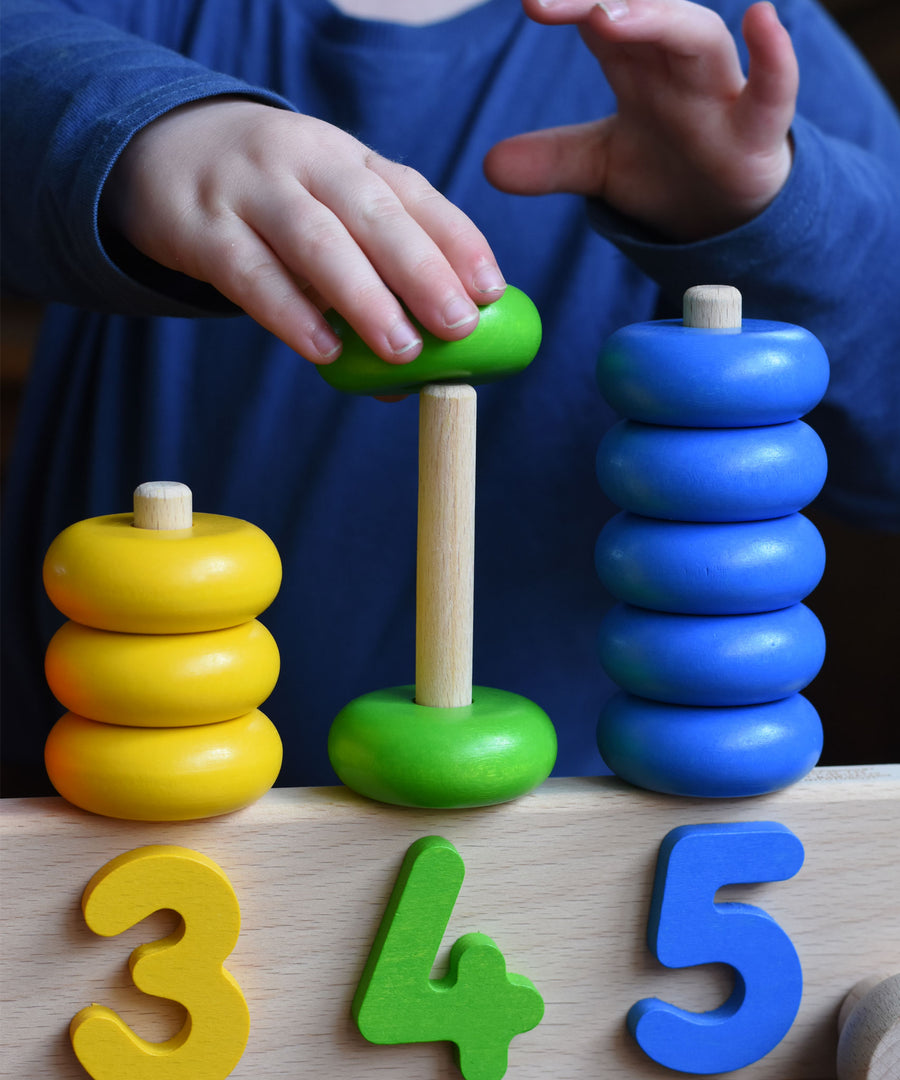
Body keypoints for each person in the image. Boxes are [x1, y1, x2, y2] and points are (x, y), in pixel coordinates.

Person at [2, 0, 899, 795]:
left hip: (579, 830)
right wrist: (149, 132)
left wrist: (766, 215)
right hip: (97, 810)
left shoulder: (724, 28)